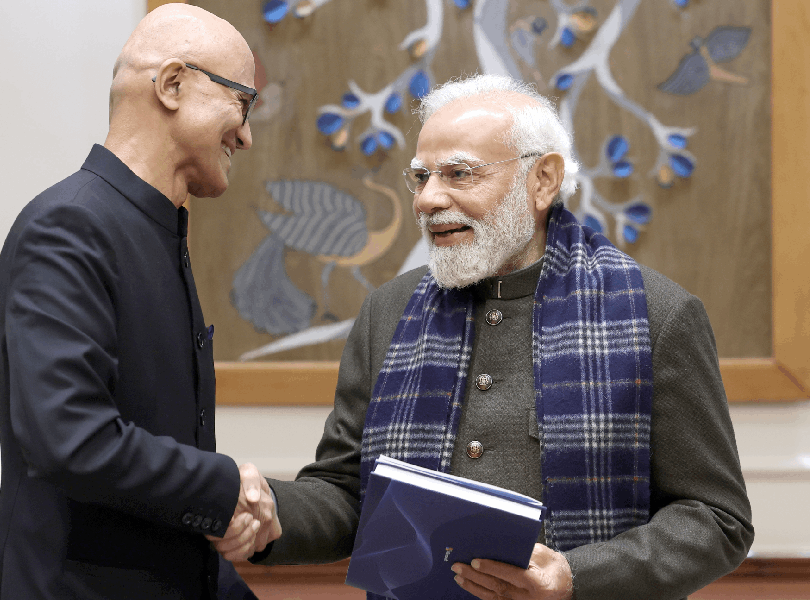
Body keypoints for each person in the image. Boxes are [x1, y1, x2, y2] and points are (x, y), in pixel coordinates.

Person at [248, 74, 754, 600]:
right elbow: (347, 492)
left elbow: (717, 520)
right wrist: (266, 511)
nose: (427, 200)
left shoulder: (658, 315)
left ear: (543, 180)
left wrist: (577, 578)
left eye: (459, 174)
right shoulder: (387, 311)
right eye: (421, 177)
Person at [0, 5, 280, 599]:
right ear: (171, 85)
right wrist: (225, 488)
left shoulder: (157, 231)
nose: (246, 134)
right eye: (243, 102)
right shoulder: (70, 225)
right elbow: (70, 438)